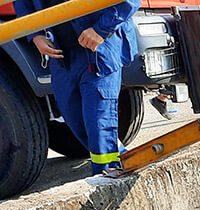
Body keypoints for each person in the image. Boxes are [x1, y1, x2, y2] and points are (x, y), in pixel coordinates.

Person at [15, 0, 140, 174]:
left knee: (98, 121)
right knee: (75, 119)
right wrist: (35, 35)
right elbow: (22, 2)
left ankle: (108, 175)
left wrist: (100, 30)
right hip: (62, 56)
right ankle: (119, 156)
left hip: (99, 49)